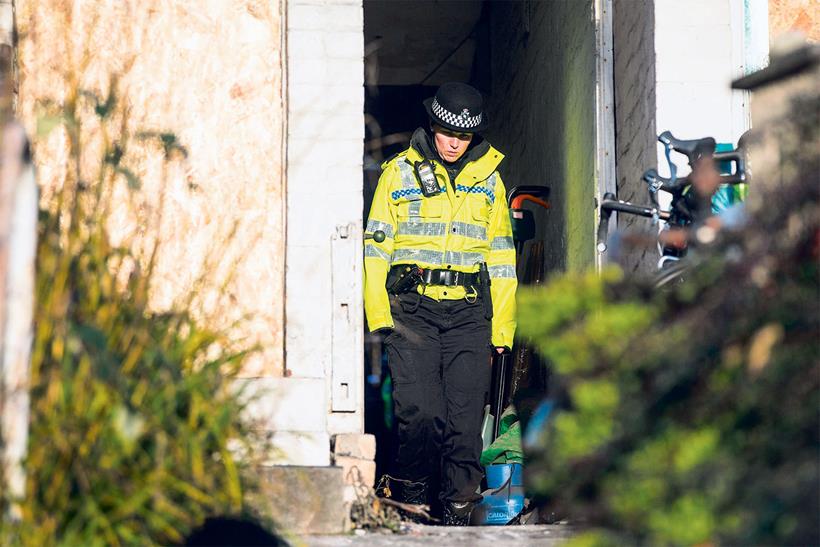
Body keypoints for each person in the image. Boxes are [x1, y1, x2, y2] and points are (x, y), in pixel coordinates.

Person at [363, 82, 517, 525]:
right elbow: (377, 246)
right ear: (433, 126)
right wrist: (380, 314)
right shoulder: (398, 172)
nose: (453, 143)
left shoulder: (490, 179)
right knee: (420, 415)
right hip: (411, 312)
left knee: (465, 424)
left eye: (463, 136)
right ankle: (410, 507)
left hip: (470, 313)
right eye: (447, 132)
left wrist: (502, 330)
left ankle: (458, 514)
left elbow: (503, 259)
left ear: (473, 137)